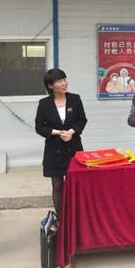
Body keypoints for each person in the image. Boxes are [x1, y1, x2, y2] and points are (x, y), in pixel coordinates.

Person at [35, 68, 87, 217]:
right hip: (54, 149)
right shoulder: (44, 104)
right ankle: (61, 218)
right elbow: (39, 126)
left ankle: (76, 216)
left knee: (76, 184)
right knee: (57, 185)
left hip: (74, 147)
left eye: (64, 79)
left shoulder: (75, 99)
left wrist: (72, 131)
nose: (64, 83)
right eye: (59, 81)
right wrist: (56, 132)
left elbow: (82, 120)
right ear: (50, 85)